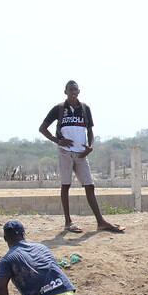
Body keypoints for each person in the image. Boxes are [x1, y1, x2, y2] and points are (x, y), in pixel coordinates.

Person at [38, 80, 124, 233]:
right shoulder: (58, 109)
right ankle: (68, 222)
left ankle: (101, 221)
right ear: (65, 92)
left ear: (79, 92)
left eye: (75, 90)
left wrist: (90, 146)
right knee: (66, 185)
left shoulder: (85, 109)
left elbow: (90, 130)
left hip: (81, 153)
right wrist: (58, 140)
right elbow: (42, 128)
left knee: (89, 186)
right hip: (65, 152)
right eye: (70, 90)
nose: (73, 92)